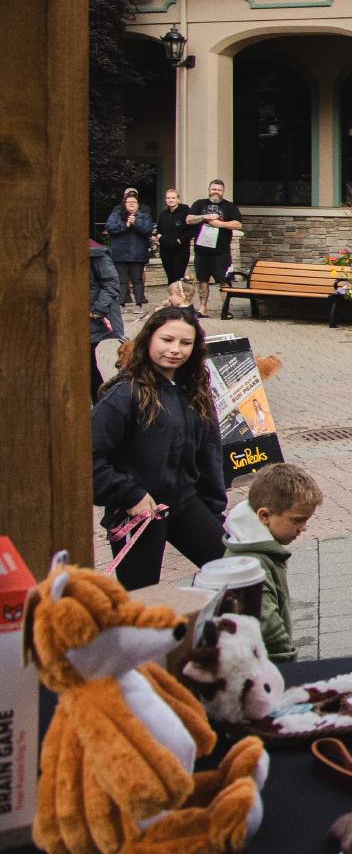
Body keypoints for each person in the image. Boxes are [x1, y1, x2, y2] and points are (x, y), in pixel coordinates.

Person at [90, 306, 226, 590]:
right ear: (149, 339)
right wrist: (129, 494)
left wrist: (214, 511)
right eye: (167, 340)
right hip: (139, 511)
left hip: (185, 501)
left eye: (185, 343)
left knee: (235, 568)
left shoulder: (194, 389)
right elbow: (87, 457)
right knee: (142, 598)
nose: (176, 349)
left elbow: (208, 455)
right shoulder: (124, 393)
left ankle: (219, 630)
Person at [223, 462, 322, 663]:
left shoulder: (255, 546)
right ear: (264, 515)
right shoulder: (251, 564)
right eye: (297, 521)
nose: (303, 528)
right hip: (265, 668)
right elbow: (267, 624)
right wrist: (286, 660)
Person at [188, 179, 242, 318]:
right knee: (202, 281)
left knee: (224, 281)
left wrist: (220, 224)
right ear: (209, 189)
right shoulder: (200, 204)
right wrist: (205, 216)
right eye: (213, 189)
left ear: (223, 192)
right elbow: (188, 219)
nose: (216, 192)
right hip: (202, 251)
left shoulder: (230, 207)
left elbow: (238, 224)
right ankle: (202, 309)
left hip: (221, 252)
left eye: (219, 190)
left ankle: (226, 309)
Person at [104, 188, 154, 306]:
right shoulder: (116, 215)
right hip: (120, 254)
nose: (131, 204)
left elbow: (147, 230)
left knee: (137, 280)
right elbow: (110, 228)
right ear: (124, 204)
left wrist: (135, 223)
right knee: (122, 281)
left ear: (138, 205)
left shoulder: (144, 216)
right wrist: (125, 224)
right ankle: (120, 304)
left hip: (137, 255)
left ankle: (138, 304)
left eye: (134, 202)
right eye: (129, 202)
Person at [88, 235, 124, 399]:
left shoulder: (95, 252)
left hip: (92, 319)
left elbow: (111, 283)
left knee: (86, 367)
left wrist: (98, 309)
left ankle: (102, 404)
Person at [157, 187, 193, 290]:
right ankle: (173, 300)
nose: (170, 200)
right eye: (168, 198)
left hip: (180, 250)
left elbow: (193, 230)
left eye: (173, 198)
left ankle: (180, 301)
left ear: (178, 199)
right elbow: (159, 230)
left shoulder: (186, 212)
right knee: (170, 277)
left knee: (178, 277)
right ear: (165, 200)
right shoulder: (163, 214)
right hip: (166, 250)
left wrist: (180, 240)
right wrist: (160, 237)